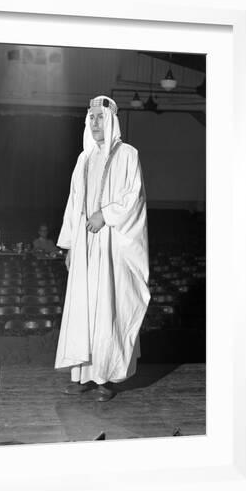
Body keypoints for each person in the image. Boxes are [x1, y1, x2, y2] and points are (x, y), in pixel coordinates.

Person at [54, 95, 151, 402]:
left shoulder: (127, 155)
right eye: (91, 118)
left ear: (111, 120)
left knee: (107, 308)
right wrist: (70, 245)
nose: (95, 122)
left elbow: (133, 197)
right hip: (85, 248)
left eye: (100, 117)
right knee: (84, 309)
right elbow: (73, 204)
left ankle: (105, 379)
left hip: (111, 245)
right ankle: (83, 374)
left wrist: (104, 216)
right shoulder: (84, 159)